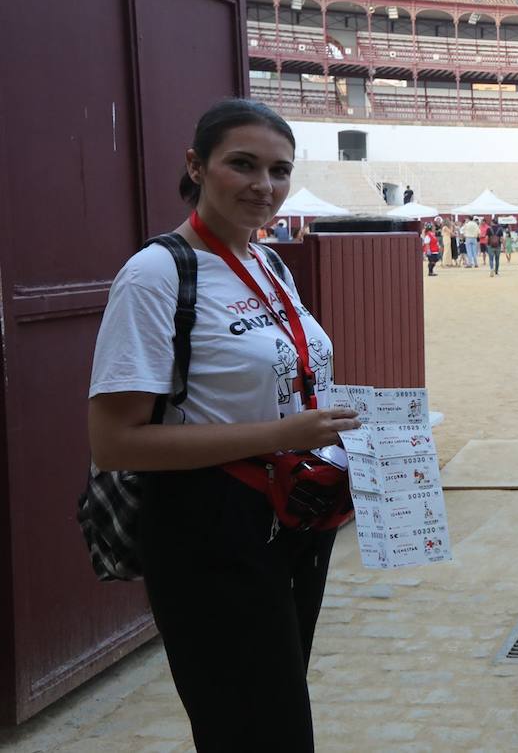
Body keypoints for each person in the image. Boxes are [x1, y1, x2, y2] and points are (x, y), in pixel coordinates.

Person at [87, 99, 361, 751]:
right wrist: (279, 436)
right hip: (207, 526)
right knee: (258, 729)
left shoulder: (268, 264)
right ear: (196, 165)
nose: (263, 186)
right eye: (242, 164)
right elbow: (115, 440)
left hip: (290, 518)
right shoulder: (156, 274)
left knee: (268, 715)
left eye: (278, 169)